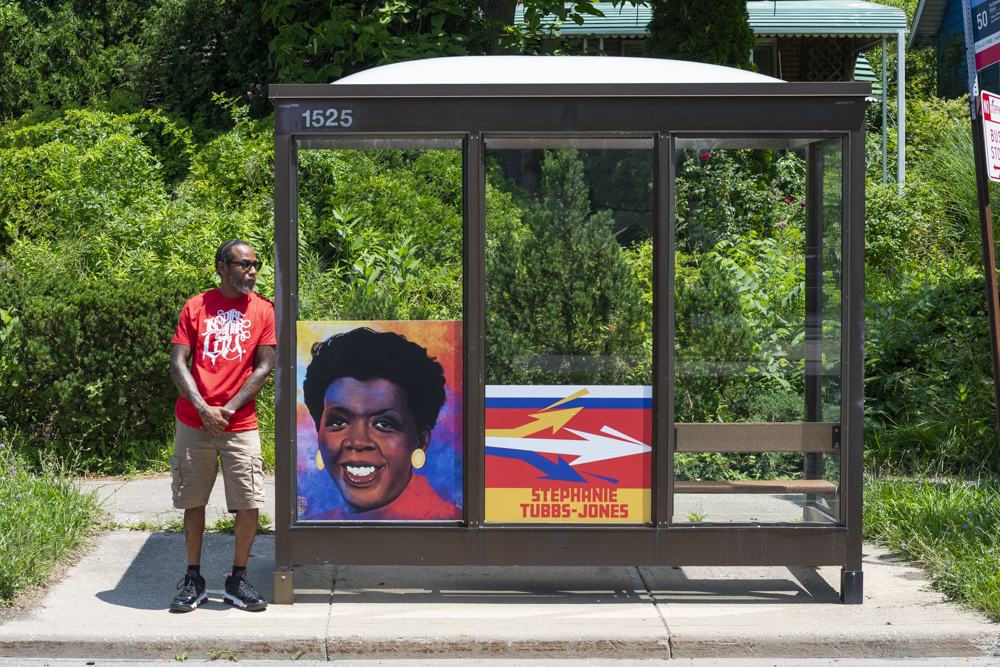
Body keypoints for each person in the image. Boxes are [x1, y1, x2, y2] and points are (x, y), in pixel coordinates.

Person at [168, 239, 276, 612]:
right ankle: (193, 580)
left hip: (240, 423)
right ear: (222, 267)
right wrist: (203, 409)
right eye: (245, 264)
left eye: (255, 264)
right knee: (193, 500)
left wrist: (225, 410)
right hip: (193, 421)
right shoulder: (196, 306)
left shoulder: (263, 310)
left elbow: (264, 366)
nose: (253, 271)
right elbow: (178, 362)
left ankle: (237, 580)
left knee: (249, 501)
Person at [302, 327, 459, 520]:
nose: (358, 442)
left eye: (384, 424)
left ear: (420, 441)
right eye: (339, 421)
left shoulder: (442, 524)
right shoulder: (315, 526)